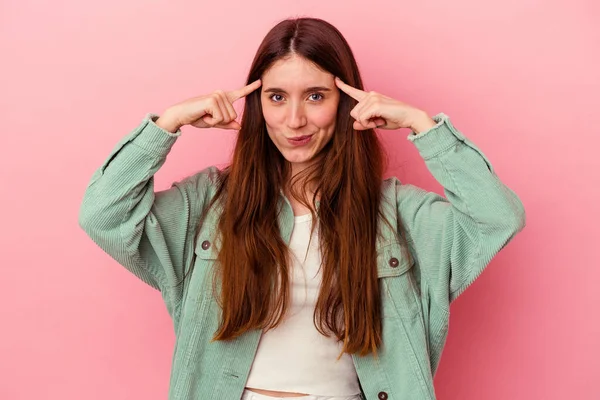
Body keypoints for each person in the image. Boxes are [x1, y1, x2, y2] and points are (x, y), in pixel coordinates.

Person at [78, 17, 526, 400]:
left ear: (345, 102)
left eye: (315, 96)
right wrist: (166, 124)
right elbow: (104, 215)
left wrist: (423, 127)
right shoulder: (211, 204)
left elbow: (496, 218)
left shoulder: (394, 214)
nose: (294, 120)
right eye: (276, 97)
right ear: (257, 105)